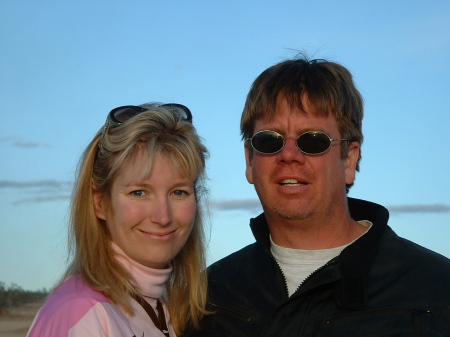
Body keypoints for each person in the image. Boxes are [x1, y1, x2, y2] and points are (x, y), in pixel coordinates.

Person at [184, 57, 450, 336]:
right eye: (269, 140)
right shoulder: (208, 297)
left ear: (349, 159)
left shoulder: (437, 290)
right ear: (250, 161)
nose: (288, 155)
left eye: (313, 141)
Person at [27, 103, 209, 337]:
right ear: (99, 202)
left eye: (178, 192)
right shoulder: (82, 314)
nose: (163, 216)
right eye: (139, 192)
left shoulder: (162, 310)